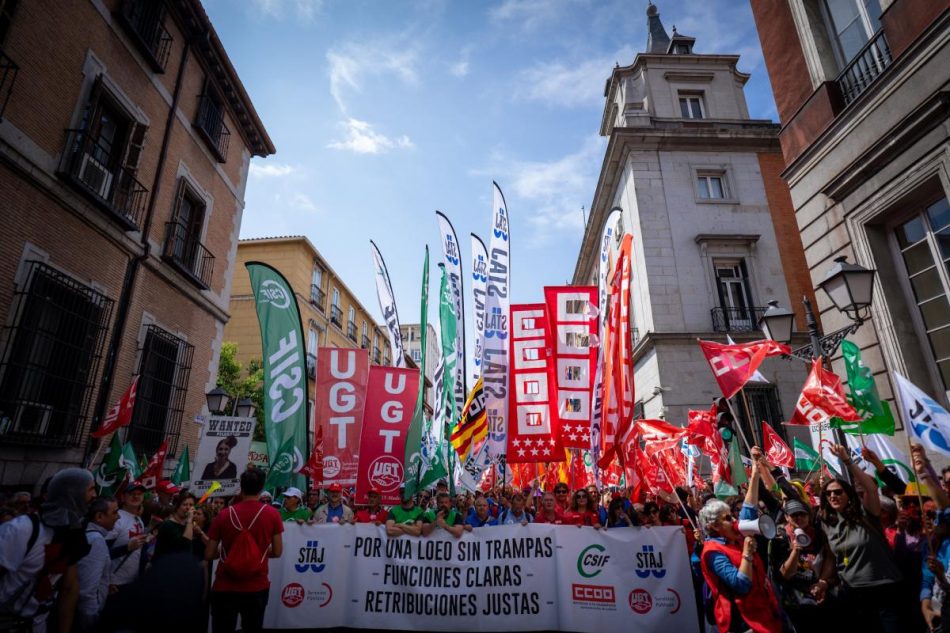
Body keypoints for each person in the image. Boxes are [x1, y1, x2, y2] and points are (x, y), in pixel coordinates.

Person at [819, 445, 903, 633]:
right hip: (853, 592)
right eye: (829, 493)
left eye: (838, 492)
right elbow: (832, 558)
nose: (833, 495)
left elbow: (871, 488)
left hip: (884, 587)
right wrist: (823, 581)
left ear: (849, 495)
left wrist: (847, 460)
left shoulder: (866, 514)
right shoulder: (827, 524)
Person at [0, 467, 95, 633]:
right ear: (73, 493)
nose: (94, 496)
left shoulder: (73, 535)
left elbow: (69, 589)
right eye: (91, 489)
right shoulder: (23, 529)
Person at [699, 460, 782, 633]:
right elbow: (741, 584)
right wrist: (747, 554)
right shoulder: (712, 552)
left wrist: (754, 475)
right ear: (714, 526)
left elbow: (749, 507)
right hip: (744, 622)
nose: (735, 521)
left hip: (764, 612)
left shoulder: (735, 537)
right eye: (728, 519)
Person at [205, 467, 283, 633]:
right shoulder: (272, 514)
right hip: (256, 585)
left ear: (241, 486)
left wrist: (228, 552)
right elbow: (277, 552)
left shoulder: (224, 515)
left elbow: (209, 554)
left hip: (225, 585)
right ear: (262, 488)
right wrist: (258, 552)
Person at [769, 496, 836, 632]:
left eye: (802, 514)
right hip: (793, 598)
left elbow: (829, 558)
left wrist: (822, 583)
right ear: (787, 517)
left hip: (817, 592)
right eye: (794, 515)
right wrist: (795, 551)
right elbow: (785, 575)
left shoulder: (818, 534)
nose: (799, 518)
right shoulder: (779, 537)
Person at [77, 495, 119, 632]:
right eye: (114, 512)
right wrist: (92, 622)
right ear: (99, 516)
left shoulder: (92, 535)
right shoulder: (96, 541)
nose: (118, 517)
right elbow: (87, 591)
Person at [109, 483, 149, 606]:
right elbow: (103, 552)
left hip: (132, 582)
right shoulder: (117, 519)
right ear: (123, 497)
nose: (136, 496)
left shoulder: (139, 520)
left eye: (139, 494)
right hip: (114, 584)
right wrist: (107, 581)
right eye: (132, 494)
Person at [153, 493, 198, 561]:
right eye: (184, 504)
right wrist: (189, 521)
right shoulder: (168, 525)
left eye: (191, 505)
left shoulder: (186, 525)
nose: (188, 508)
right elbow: (184, 546)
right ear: (177, 507)